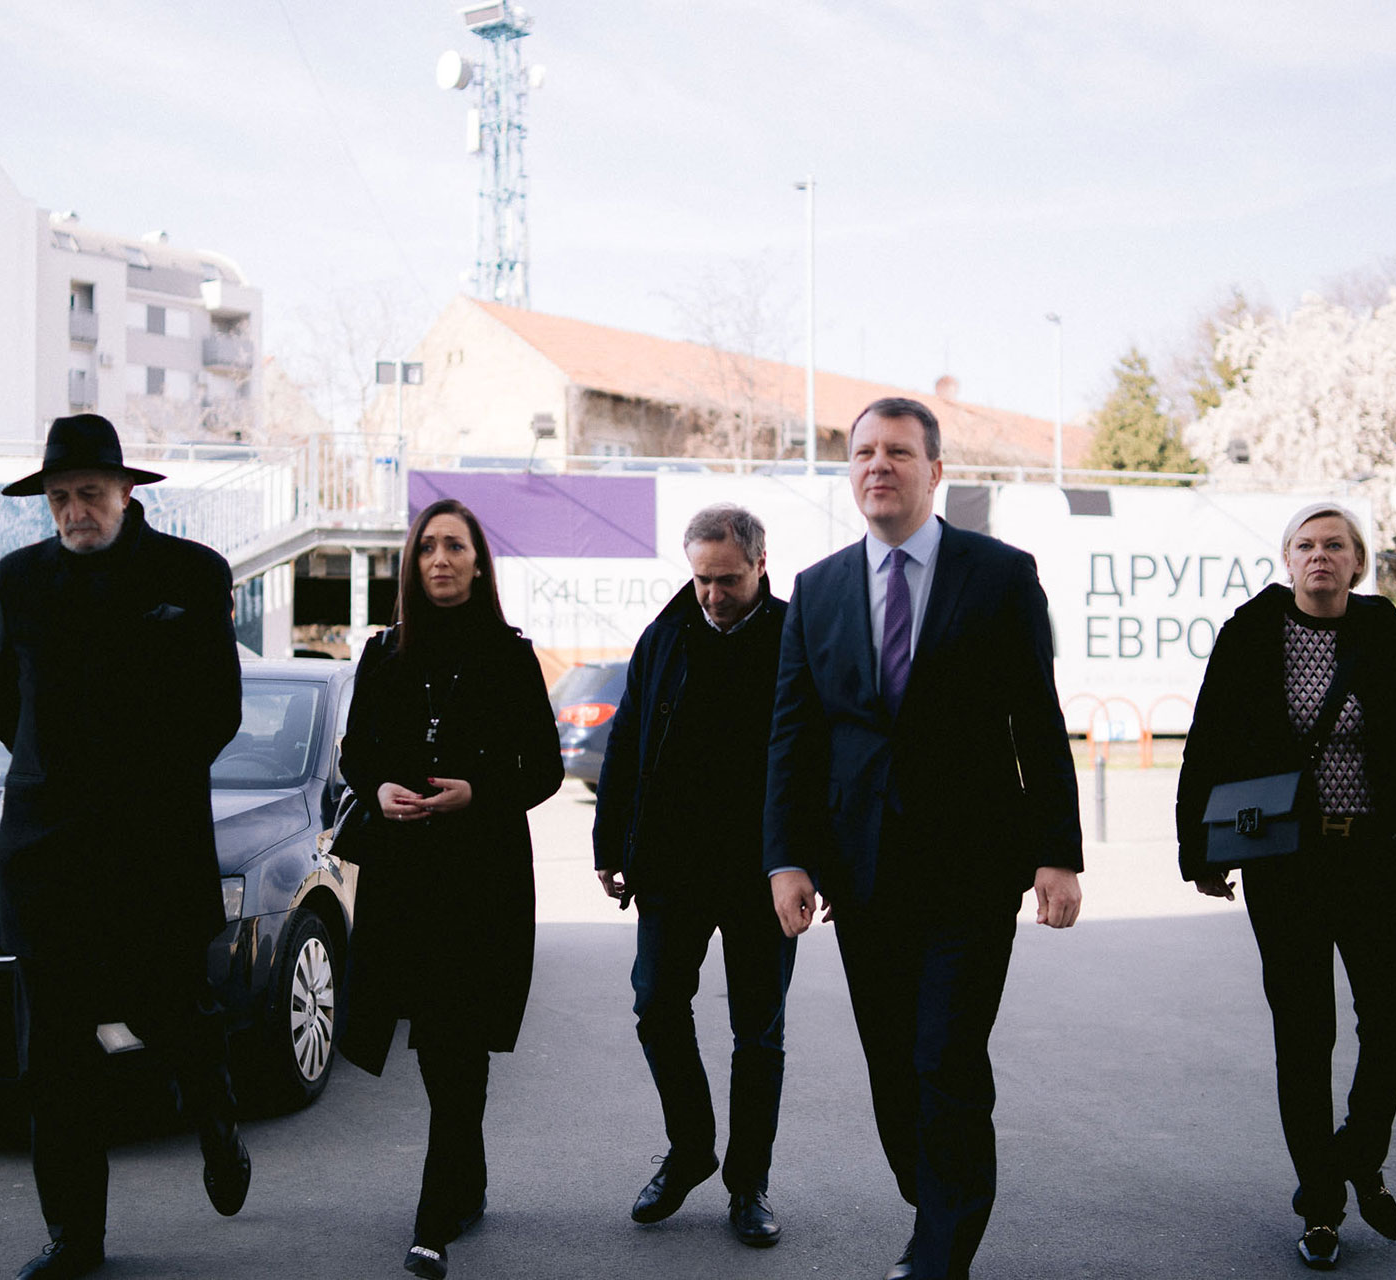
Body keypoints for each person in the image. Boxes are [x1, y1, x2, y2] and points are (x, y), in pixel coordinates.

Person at [763, 397, 1083, 1280]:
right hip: (862, 873)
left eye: (899, 452)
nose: (879, 465)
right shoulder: (819, 589)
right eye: (864, 451)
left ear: (935, 471)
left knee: (946, 1056)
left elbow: (1037, 720)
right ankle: (932, 1193)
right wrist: (786, 856)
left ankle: (943, 1248)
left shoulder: (1000, 575)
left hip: (971, 870)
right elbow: (793, 736)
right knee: (894, 1066)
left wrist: (1058, 852)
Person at [1176, 500, 1396, 1273]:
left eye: (1335, 545)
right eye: (1306, 545)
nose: (1320, 557)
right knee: (1306, 1037)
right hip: (1284, 866)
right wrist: (1200, 851)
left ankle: (1354, 1156)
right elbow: (1208, 744)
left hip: (1371, 859)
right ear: (1288, 560)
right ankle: (1322, 1211)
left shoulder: (1384, 637)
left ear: (1358, 562)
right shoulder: (1249, 635)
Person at [0, 413, 250, 1280]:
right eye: (60, 498)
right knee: (55, 1057)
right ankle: (76, 1237)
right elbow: (8, 707)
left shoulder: (190, 574)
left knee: (172, 1018)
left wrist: (137, 785)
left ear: (127, 491)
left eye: (90, 494)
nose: (75, 512)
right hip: (47, 856)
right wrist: (60, 781)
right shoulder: (19, 580)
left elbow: (218, 711)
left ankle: (213, 1113)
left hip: (152, 853)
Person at [336, 497, 562, 1280]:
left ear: (478, 563)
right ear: (412, 561)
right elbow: (356, 755)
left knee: (457, 1037)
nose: (440, 558)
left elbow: (545, 769)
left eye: (455, 546)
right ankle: (467, 1181)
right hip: (405, 880)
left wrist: (478, 792)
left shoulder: (509, 655)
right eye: (428, 546)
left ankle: (433, 1219)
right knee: (438, 1046)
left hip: (482, 878)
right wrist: (379, 790)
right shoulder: (384, 654)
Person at [593, 503, 797, 1248]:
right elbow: (626, 741)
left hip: (763, 873)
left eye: (728, 580)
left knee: (758, 1033)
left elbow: (822, 755)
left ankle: (749, 1185)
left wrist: (817, 861)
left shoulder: (795, 638)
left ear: (761, 565)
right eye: (702, 579)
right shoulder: (666, 636)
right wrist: (609, 844)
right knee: (655, 1005)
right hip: (673, 865)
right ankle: (690, 1150)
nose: (712, 594)